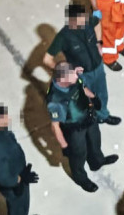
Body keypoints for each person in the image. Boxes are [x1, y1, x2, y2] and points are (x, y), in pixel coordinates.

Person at [43, 3, 121, 125]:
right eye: (81, 20)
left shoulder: (88, 22)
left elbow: (97, 22)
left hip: (98, 67)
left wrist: (99, 42)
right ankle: (89, 119)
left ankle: (103, 115)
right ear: (72, 21)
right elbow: (47, 59)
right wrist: (66, 72)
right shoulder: (63, 37)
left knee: (102, 94)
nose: (85, 22)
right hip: (82, 75)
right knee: (85, 100)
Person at [47, 62, 119, 193]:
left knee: (95, 141)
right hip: (74, 128)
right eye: (72, 75)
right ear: (62, 79)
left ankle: (97, 161)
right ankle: (80, 177)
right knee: (78, 155)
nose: (76, 76)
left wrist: (94, 97)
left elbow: (82, 87)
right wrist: (65, 146)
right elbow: (55, 127)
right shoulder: (55, 99)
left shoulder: (74, 78)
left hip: (89, 117)